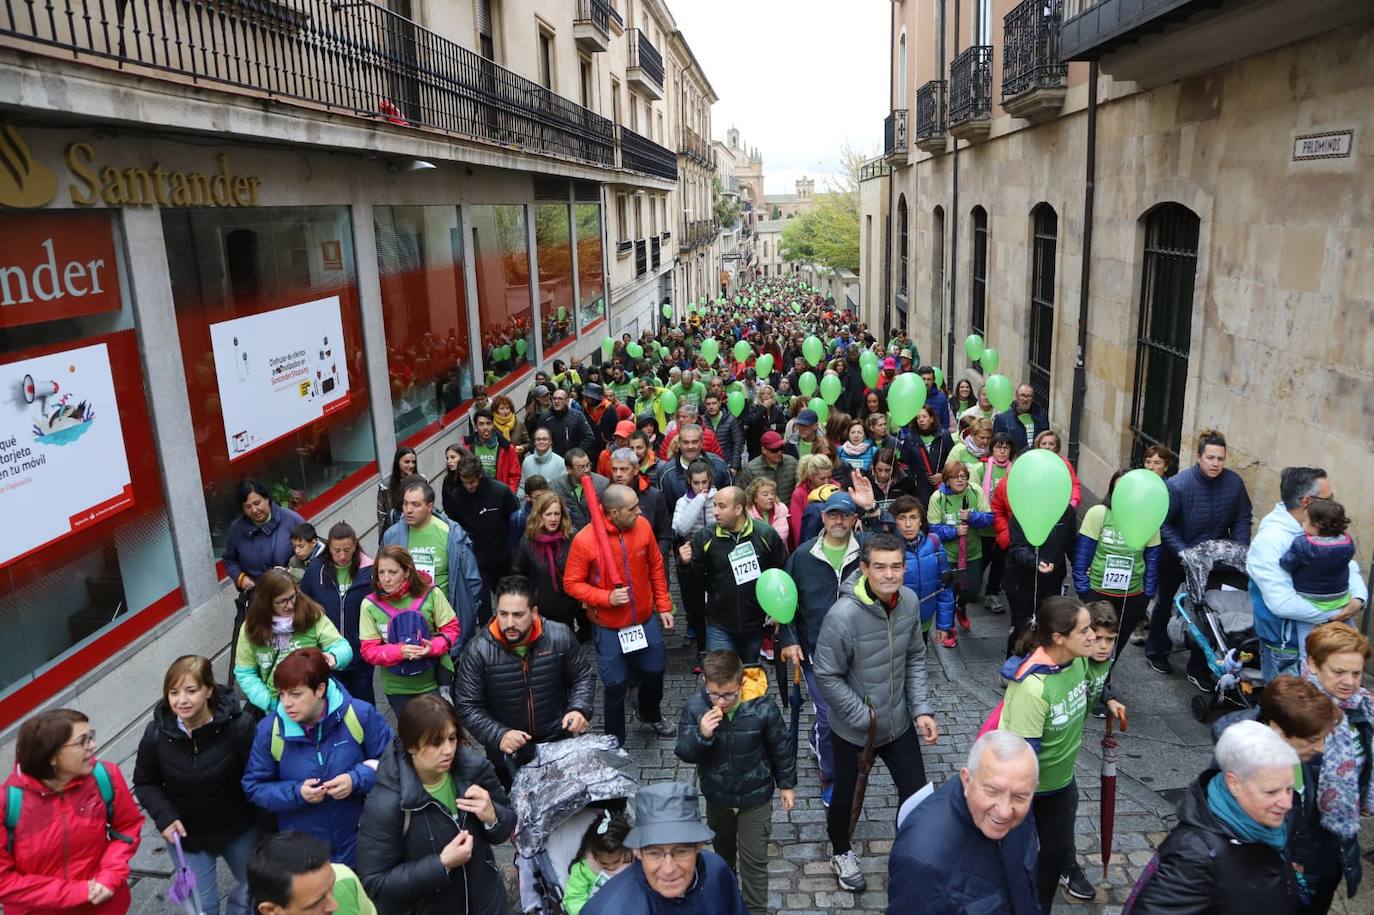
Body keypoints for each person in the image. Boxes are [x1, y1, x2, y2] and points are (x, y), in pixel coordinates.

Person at [814, 533, 939, 892]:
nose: (889, 574)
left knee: (916, 796)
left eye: (896, 566)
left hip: (899, 724)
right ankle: (841, 851)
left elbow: (915, 656)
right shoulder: (843, 616)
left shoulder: (910, 602)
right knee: (846, 796)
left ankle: (910, 853)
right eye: (880, 567)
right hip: (856, 731)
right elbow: (826, 674)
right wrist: (863, 716)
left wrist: (921, 710)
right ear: (865, 568)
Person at [354, 695, 515, 915]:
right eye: (436, 742)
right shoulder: (388, 802)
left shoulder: (474, 770)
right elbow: (375, 882)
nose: (448, 750)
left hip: (487, 902)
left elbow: (504, 829)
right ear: (411, 746)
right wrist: (441, 865)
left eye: (452, 738)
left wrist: (493, 817)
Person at [1123, 721, 1300, 914]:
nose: (1286, 803)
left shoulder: (1265, 821)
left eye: (1289, 789)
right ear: (1234, 784)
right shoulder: (1196, 854)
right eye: (1271, 792)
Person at [241, 649, 393, 868]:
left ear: (320, 689)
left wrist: (356, 780)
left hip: (361, 843)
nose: (286, 704)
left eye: (295, 694)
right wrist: (297, 792)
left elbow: (393, 762)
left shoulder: (359, 715)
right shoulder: (270, 730)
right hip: (304, 856)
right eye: (281, 694)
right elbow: (255, 787)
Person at [997, 597, 1102, 912]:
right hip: (1025, 791)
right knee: (1020, 863)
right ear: (1059, 638)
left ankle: (1040, 906)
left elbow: (1089, 686)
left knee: (1055, 853)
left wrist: (1107, 698)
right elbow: (1021, 757)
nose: (1093, 637)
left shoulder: (1078, 661)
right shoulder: (1032, 688)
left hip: (1060, 784)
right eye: (1085, 631)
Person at [674, 651, 796, 915]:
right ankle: (727, 903)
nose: (721, 701)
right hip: (718, 799)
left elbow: (781, 746)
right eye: (714, 694)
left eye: (729, 695)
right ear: (705, 682)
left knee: (754, 862)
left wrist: (786, 784)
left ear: (740, 684)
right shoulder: (696, 707)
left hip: (756, 797)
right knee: (722, 859)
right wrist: (702, 734)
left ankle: (755, 910)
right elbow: (684, 751)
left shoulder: (762, 706)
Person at [133, 656, 258, 915]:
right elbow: (145, 782)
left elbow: (257, 778)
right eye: (174, 692)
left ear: (209, 689)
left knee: (258, 892)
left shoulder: (239, 727)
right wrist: (165, 817)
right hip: (188, 837)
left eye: (191, 690)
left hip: (238, 829)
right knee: (203, 906)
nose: (182, 700)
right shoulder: (157, 733)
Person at [1210, 675, 1344, 914]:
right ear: (1278, 730)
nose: (1321, 748)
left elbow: (1301, 812)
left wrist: (1299, 859)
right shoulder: (1242, 769)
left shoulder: (1292, 757)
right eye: (1313, 740)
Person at [563, 484, 676, 745]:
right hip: (608, 627)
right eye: (633, 508)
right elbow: (571, 583)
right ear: (613, 512)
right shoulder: (585, 540)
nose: (640, 511)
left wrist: (663, 604)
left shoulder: (643, 527)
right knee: (615, 686)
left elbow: (656, 565)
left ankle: (649, 712)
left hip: (643, 621)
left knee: (655, 671)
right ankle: (615, 742)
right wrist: (606, 598)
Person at [0, 709, 143, 915]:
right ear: (52, 756)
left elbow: (127, 827)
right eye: (82, 741)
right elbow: (4, 882)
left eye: (91, 737)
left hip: (103, 905)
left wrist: (110, 875)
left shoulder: (105, 776)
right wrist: (77, 892)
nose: (92, 745)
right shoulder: (7, 803)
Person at [452, 575, 595, 779]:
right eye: (503, 614)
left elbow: (582, 676)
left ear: (534, 613)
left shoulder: (559, 636)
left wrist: (578, 709)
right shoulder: (478, 650)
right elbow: (467, 705)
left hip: (557, 745)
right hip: (508, 754)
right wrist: (499, 735)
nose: (509, 622)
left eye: (518, 615)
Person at [886, 732, 1041, 915]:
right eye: (992, 792)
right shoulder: (921, 862)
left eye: (1020, 796)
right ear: (967, 781)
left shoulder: (1020, 797)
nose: (1005, 811)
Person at [1146, 429, 1253, 685]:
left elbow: (1242, 516)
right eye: (1211, 458)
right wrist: (1182, 550)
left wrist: (1238, 547)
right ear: (1199, 457)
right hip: (1176, 556)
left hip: (1214, 561)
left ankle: (1198, 666)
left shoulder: (1234, 484)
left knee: (1206, 609)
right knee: (1164, 603)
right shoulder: (1178, 485)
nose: (1216, 463)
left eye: (1220, 459)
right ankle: (1155, 650)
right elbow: (1163, 523)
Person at [784, 491, 868, 805]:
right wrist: (790, 641)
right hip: (817, 654)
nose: (838, 521)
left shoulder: (867, 553)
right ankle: (831, 777)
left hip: (860, 653)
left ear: (854, 519)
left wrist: (872, 507)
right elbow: (786, 608)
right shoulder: (803, 556)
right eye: (833, 515)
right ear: (822, 518)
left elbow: (899, 543)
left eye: (845, 515)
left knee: (855, 716)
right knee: (831, 716)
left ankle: (819, 740)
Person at [1250, 467, 1367, 681]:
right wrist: (1336, 614)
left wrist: (1359, 598)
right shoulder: (1271, 540)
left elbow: (1346, 565)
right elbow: (1282, 603)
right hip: (1287, 649)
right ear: (1307, 502)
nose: (1333, 503)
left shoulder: (1324, 525)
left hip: (1328, 639)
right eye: (1328, 498)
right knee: (1291, 712)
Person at [579, 782, 748, 915]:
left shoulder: (717, 872)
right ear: (637, 851)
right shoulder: (610, 910)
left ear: (698, 846)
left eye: (680, 851)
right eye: (655, 853)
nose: (668, 869)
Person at [1301, 623, 1374, 905]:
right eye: (1339, 671)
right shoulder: (1292, 712)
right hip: (1300, 845)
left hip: (1339, 841)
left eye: (1356, 673)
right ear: (1313, 664)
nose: (1349, 682)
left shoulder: (1362, 708)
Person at [685, 487, 790, 663]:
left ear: (738, 509)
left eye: (721, 506)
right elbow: (693, 581)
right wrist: (684, 564)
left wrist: (777, 613)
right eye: (714, 506)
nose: (715, 512)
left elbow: (780, 572)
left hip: (754, 624)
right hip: (719, 624)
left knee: (749, 679)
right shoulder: (705, 537)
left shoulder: (765, 534)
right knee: (723, 677)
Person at [381, 476, 483, 652]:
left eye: (415, 504)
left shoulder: (452, 534)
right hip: (404, 621)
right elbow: (381, 575)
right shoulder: (392, 536)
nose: (408, 510)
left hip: (444, 622)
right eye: (405, 504)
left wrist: (466, 612)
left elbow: (472, 580)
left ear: (429, 506)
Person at [358, 546, 459, 719]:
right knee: (412, 738)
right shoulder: (369, 605)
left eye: (393, 572)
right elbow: (368, 650)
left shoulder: (432, 594)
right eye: (381, 572)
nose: (386, 579)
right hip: (396, 688)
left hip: (434, 680)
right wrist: (399, 651)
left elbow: (451, 629)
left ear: (407, 572)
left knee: (441, 733)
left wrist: (433, 647)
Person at [1074, 469, 1161, 669]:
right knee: (1091, 640)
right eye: (1119, 486)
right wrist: (1083, 588)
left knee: (1116, 643)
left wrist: (1147, 593)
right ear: (1112, 488)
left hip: (1133, 594)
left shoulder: (1149, 518)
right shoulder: (1099, 513)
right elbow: (1083, 553)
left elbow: (1153, 557)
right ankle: (1083, 679)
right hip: (1097, 591)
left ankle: (1105, 679)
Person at [232, 569, 353, 713]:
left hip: (317, 704)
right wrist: (269, 703)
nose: (290, 605)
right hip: (278, 708)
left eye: (292, 597)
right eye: (282, 601)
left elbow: (343, 648)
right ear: (266, 602)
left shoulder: (311, 615)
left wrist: (334, 657)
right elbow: (245, 673)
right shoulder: (250, 628)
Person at [300, 522, 376, 708]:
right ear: (328, 548)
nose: (342, 556)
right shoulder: (316, 570)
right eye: (336, 551)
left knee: (363, 703)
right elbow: (304, 603)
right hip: (328, 653)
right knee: (334, 705)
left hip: (360, 653)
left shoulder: (370, 570)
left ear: (356, 545)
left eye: (347, 550)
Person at [444, 453, 519, 615]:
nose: (468, 486)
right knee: (482, 606)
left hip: (504, 559)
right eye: (464, 483)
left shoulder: (501, 492)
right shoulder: (457, 498)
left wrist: (513, 552)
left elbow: (515, 521)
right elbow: (454, 529)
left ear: (480, 475)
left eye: (471, 482)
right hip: (476, 562)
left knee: (509, 603)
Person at [927, 460, 994, 643]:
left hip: (972, 552)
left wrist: (973, 517)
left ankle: (961, 607)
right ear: (947, 480)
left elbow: (989, 518)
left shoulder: (975, 491)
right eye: (955, 477)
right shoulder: (938, 498)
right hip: (947, 555)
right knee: (947, 593)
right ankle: (949, 629)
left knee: (971, 592)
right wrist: (954, 531)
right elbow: (933, 529)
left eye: (963, 476)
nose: (960, 480)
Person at [1003, 496, 1077, 658]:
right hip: (1020, 582)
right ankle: (1012, 667)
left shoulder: (1067, 512)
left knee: (1048, 627)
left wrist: (1081, 566)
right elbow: (1018, 547)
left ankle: (1041, 667)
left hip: (1052, 581)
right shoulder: (1022, 510)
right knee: (1022, 628)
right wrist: (1035, 562)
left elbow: (1071, 543)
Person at [224, 479, 306, 624]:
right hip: (259, 600)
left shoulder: (291, 520)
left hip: (293, 597)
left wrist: (296, 573)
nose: (254, 510)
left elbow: (312, 550)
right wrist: (240, 578)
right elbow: (230, 559)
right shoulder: (236, 529)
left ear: (267, 499)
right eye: (247, 507)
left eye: (257, 503)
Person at [248, 832, 376, 915]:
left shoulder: (344, 877)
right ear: (270, 911)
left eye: (331, 886)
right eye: (316, 903)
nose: (334, 905)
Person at [512, 492, 583, 637]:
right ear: (540, 515)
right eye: (548, 514)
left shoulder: (571, 538)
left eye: (557, 514)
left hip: (566, 608)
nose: (553, 519)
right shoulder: (528, 541)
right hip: (539, 609)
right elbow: (518, 575)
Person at [890, 494, 956, 642]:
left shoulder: (933, 542)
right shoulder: (887, 547)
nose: (908, 524)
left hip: (924, 620)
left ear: (921, 520)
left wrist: (943, 625)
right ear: (894, 521)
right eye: (902, 518)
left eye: (913, 517)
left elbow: (944, 585)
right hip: (895, 624)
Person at [1281, 499, 1356, 618]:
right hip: (1340, 597)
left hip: (1310, 598)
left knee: (1308, 633)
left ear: (1316, 527)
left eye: (1305, 521)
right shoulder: (1348, 543)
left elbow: (1287, 564)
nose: (1302, 524)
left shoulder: (1303, 544)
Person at [673, 460, 718, 654]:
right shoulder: (683, 502)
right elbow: (681, 528)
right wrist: (699, 500)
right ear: (689, 482)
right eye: (696, 483)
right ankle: (702, 648)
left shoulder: (719, 497)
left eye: (705, 482)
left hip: (717, 556)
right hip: (694, 559)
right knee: (696, 606)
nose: (701, 487)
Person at [563, 813, 632, 915]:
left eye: (616, 861)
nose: (611, 867)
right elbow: (574, 899)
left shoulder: (634, 863)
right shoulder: (584, 869)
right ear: (593, 854)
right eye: (604, 863)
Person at [657, 424, 731, 506]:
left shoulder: (719, 465)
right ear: (679, 444)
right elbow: (665, 510)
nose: (690, 446)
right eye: (686, 442)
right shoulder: (667, 473)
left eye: (694, 442)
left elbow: (731, 499)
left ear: (701, 442)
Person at [900, 406, 954, 503]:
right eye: (918, 417)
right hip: (920, 489)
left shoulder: (944, 436)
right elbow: (904, 463)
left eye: (924, 417)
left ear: (932, 418)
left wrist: (943, 475)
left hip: (941, 486)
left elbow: (953, 460)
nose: (921, 420)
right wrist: (914, 481)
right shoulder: (910, 438)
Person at [550, 449, 612, 533]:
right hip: (567, 536)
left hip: (596, 534)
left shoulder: (602, 484)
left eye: (588, 465)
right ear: (569, 469)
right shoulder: (556, 487)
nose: (587, 470)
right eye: (581, 467)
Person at [463, 408, 522, 493]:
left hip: (498, 493)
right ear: (476, 427)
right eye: (481, 424)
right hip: (474, 493)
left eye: (488, 423)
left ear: (493, 425)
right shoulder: (467, 447)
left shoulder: (506, 447)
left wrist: (509, 494)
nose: (485, 427)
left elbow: (514, 475)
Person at [737, 430, 799, 507]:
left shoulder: (792, 463)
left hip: (790, 512)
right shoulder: (750, 469)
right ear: (764, 450)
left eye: (781, 448)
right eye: (774, 450)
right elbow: (745, 496)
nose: (779, 452)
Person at [787, 453, 836, 550]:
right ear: (811, 476)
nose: (826, 482)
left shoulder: (836, 488)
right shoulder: (799, 494)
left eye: (829, 477)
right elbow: (798, 530)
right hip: (810, 545)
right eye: (821, 479)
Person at [376, 448, 419, 550]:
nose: (411, 465)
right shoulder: (385, 486)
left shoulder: (421, 481)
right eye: (407, 462)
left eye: (413, 462)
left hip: (417, 527)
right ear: (397, 462)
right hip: (394, 530)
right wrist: (381, 540)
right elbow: (382, 516)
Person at [992, 384, 1049, 453]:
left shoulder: (1041, 416)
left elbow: (1046, 438)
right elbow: (996, 445)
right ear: (1016, 396)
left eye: (1029, 396)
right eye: (1022, 395)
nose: (1025, 399)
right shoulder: (1003, 419)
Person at [543, 388, 596, 457]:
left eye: (560, 399)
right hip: (553, 459)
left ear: (567, 400)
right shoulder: (546, 418)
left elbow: (589, 437)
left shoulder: (577, 416)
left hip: (574, 459)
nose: (556, 401)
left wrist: (576, 453)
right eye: (554, 398)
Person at [702, 391, 745, 473]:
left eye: (714, 403)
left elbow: (738, 443)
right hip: (707, 464)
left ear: (719, 403)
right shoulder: (702, 421)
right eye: (708, 404)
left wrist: (734, 466)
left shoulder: (730, 420)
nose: (711, 406)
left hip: (727, 463)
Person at [522, 427, 567, 495]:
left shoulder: (560, 463)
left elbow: (562, 491)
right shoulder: (527, 461)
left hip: (551, 503)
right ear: (534, 441)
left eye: (545, 439)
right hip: (530, 503)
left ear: (550, 441)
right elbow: (522, 487)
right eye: (538, 439)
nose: (541, 442)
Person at [744, 477, 789, 542]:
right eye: (765, 495)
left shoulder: (782, 509)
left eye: (772, 493)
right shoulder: (748, 514)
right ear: (755, 498)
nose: (770, 497)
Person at [917, 367, 949, 431]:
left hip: (936, 436)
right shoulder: (913, 396)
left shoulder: (941, 397)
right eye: (923, 379)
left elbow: (945, 422)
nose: (926, 382)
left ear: (933, 380)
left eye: (929, 379)